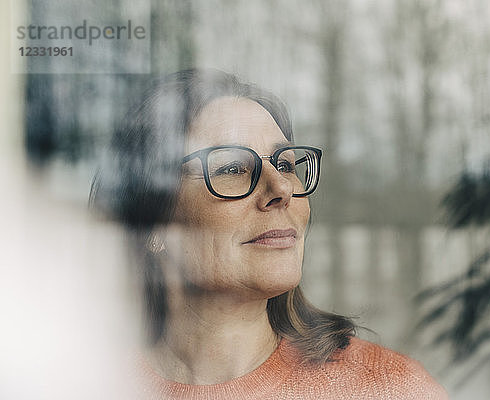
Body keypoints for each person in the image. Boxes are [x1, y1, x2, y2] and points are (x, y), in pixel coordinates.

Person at [91, 69, 448, 399]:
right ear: (151, 222)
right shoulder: (77, 384)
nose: (282, 187)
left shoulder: (389, 390)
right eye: (232, 167)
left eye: (285, 164)